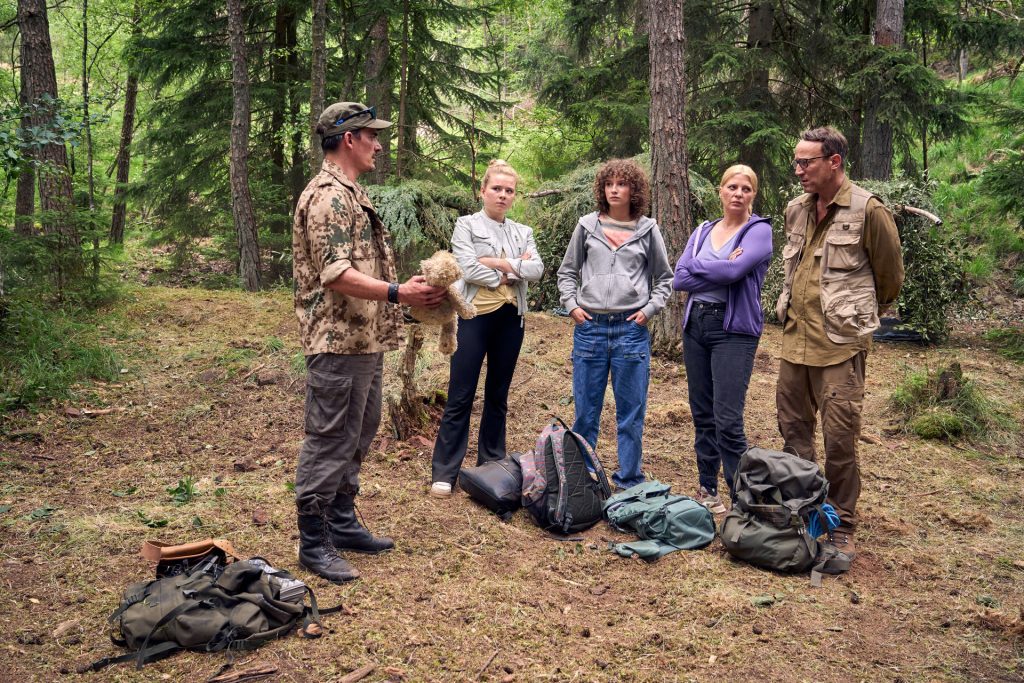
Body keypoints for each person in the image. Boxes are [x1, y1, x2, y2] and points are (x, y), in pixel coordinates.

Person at [292, 101, 446, 583]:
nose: (379, 145)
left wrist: (406, 292)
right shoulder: (327, 197)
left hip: (364, 338)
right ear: (348, 139)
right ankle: (313, 542)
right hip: (336, 341)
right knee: (330, 439)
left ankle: (341, 522)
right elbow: (335, 272)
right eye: (371, 136)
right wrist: (399, 293)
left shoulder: (352, 194)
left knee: (358, 432)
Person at [775, 126, 904, 562]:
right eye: (796, 161)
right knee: (793, 431)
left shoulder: (869, 210)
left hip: (840, 346)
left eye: (806, 162)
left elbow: (890, 278)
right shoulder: (796, 209)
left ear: (834, 162)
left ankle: (842, 522)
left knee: (840, 438)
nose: (799, 170)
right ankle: (806, 510)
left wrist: (858, 319)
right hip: (795, 341)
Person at [556, 158, 673, 490]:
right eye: (609, 184)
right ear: (602, 189)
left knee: (631, 415)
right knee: (586, 414)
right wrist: (572, 305)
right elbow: (567, 272)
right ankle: (583, 481)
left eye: (622, 184)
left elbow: (665, 278)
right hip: (589, 328)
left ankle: (629, 482)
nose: (615, 190)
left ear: (633, 190)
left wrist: (649, 310)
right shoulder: (587, 226)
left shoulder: (647, 229)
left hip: (630, 331)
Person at [430, 160, 544, 497]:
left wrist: (494, 263)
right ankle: (445, 472)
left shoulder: (523, 232)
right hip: (473, 317)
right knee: (460, 394)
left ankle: (490, 465)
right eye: (497, 188)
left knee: (498, 395)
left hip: (511, 319)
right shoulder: (465, 225)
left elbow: (536, 269)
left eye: (509, 191)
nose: (503, 195)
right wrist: (512, 269)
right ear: (483, 191)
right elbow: (466, 268)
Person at [673, 164, 772, 514]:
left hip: (733, 331)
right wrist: (720, 271)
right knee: (702, 414)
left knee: (728, 419)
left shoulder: (758, 232)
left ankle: (741, 499)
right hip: (696, 325)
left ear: (753, 194)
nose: (738, 194)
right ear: (720, 190)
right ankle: (707, 490)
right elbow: (679, 279)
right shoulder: (702, 230)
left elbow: (735, 271)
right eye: (732, 187)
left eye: (746, 189)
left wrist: (705, 268)